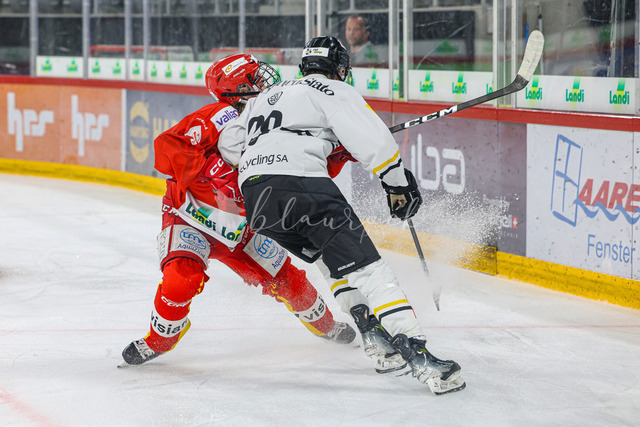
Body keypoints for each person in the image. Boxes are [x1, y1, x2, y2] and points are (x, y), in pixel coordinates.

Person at [218, 37, 466, 395]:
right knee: (371, 271)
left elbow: (228, 144)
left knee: (332, 262)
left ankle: (375, 339)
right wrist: (397, 184)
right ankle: (419, 356)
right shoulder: (332, 89)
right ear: (338, 67)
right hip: (302, 188)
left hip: (258, 199)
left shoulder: (264, 96)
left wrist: (293, 145)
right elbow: (372, 139)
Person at [120, 54, 359, 366]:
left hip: (242, 228)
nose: (266, 82)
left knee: (288, 280)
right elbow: (167, 146)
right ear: (239, 89)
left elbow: (302, 164)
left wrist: (337, 153)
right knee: (180, 280)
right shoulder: (220, 116)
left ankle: (326, 326)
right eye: (256, 78)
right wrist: (210, 169)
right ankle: (160, 340)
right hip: (191, 217)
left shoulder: (275, 115)